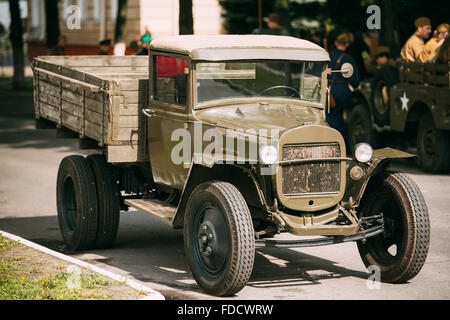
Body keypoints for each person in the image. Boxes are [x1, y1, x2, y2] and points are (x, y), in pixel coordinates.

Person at [327, 33, 360, 145]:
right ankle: (342, 144)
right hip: (343, 92)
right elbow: (355, 80)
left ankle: (330, 142)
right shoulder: (349, 59)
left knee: (330, 118)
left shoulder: (327, 56)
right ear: (346, 44)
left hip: (328, 92)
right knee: (344, 120)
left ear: (336, 43)